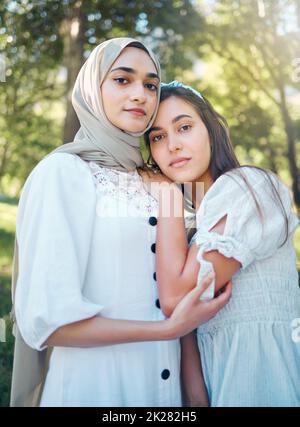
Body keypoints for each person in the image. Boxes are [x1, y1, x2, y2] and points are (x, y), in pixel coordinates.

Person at [12, 40, 232, 407]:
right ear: (92, 89)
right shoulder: (62, 172)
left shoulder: (160, 181)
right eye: (122, 80)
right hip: (95, 388)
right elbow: (47, 321)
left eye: (150, 85)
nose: (140, 95)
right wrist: (167, 329)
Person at [144, 81, 300, 407]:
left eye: (184, 127)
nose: (172, 145)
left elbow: (174, 298)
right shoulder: (190, 229)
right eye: (158, 137)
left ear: (211, 130)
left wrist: (168, 195)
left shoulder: (252, 187)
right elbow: (188, 340)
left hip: (268, 383)